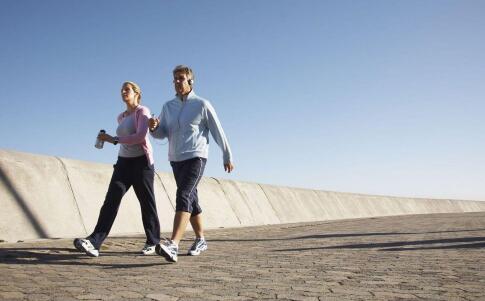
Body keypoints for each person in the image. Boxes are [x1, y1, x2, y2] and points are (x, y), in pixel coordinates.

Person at [149, 65, 233, 263]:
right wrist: (154, 128)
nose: (177, 82)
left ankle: (174, 244)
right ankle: (201, 239)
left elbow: (217, 130)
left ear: (190, 81)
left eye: (181, 78)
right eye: (175, 79)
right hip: (175, 159)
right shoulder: (168, 106)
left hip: (196, 156)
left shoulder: (202, 104)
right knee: (191, 198)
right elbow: (163, 133)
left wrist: (227, 155)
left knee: (184, 194)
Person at [74, 81, 161, 257]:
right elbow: (125, 139)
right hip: (123, 163)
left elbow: (140, 137)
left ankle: (153, 241)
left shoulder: (142, 111)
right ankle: (94, 242)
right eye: (122, 89)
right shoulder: (120, 117)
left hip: (142, 163)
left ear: (136, 93)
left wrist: (113, 139)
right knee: (111, 201)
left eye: (127, 89)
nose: (123, 92)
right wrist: (112, 140)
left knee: (146, 203)